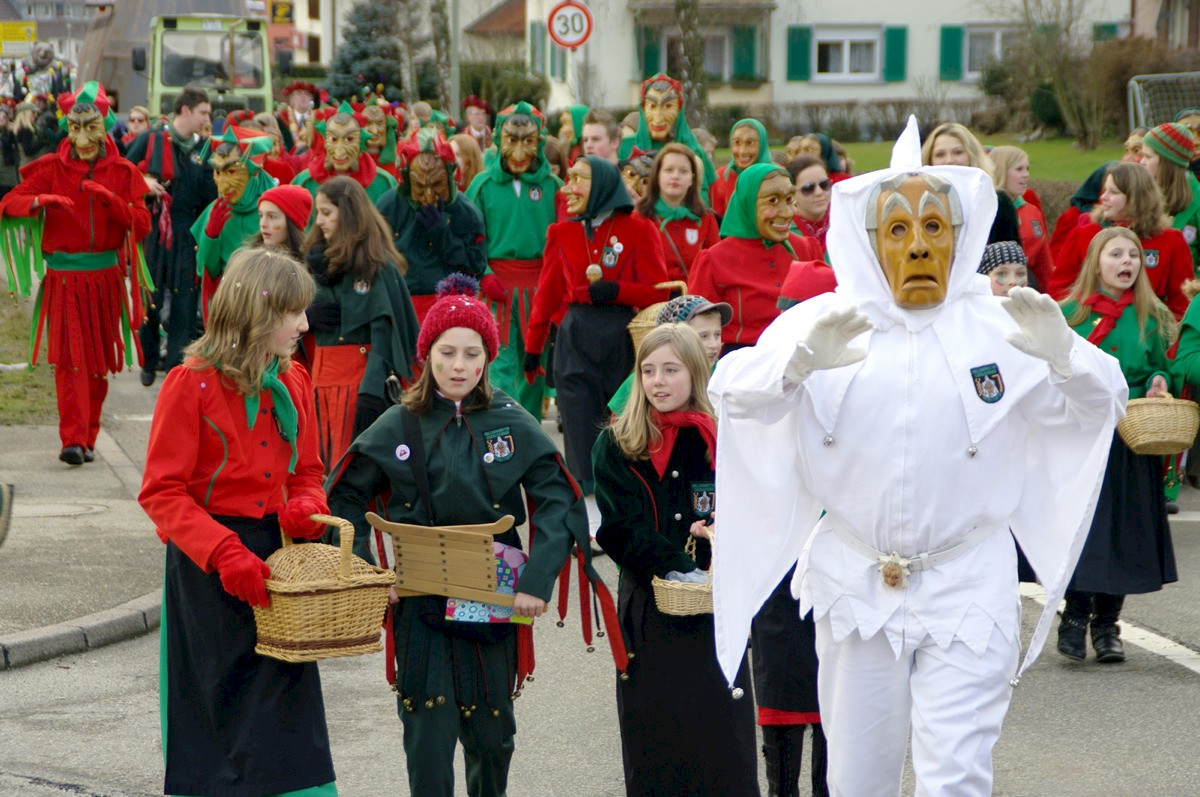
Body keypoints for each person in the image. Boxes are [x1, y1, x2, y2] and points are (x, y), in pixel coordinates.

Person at [707, 118, 1126, 796]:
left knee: (955, 777)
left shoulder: (1002, 326)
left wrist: (1065, 357)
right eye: (899, 230)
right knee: (856, 778)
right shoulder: (824, 322)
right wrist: (794, 365)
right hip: (857, 586)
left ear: (959, 237)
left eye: (934, 227)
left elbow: (1104, 401)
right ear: (869, 241)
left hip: (966, 586)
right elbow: (728, 390)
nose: (920, 245)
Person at [325, 279, 609, 797]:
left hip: (493, 598)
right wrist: (366, 573)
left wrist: (537, 580)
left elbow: (558, 501)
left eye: (472, 354)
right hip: (420, 604)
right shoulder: (397, 424)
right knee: (428, 739)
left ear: (487, 358)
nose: (458, 365)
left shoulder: (512, 421)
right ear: (427, 353)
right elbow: (342, 497)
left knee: (492, 736)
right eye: (447, 352)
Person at [138, 248, 336, 796]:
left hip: (275, 565)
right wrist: (225, 552)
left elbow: (309, 470)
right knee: (215, 723)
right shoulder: (189, 383)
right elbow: (161, 491)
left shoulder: (295, 379)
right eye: (293, 312)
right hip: (208, 566)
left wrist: (305, 504)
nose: (304, 324)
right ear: (257, 313)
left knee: (290, 731)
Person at [592, 323, 759, 796]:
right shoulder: (617, 443)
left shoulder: (724, 437)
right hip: (650, 608)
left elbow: (753, 508)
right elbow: (619, 528)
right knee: (657, 738)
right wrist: (677, 565)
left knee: (721, 739)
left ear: (697, 372)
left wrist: (719, 533)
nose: (658, 381)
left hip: (715, 610)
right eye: (648, 371)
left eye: (671, 369)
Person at [0, 81, 152, 465]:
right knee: (69, 361)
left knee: (97, 362)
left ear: (106, 127)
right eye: (75, 127)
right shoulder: (52, 168)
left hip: (105, 281)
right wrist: (40, 200)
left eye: (91, 127)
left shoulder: (123, 171)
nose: (82, 138)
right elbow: (10, 202)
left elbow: (141, 223)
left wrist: (112, 202)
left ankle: (88, 437)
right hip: (64, 281)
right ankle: (71, 439)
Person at [1057, 227, 1178, 663]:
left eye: (1133, 255)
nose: (1126, 262)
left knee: (1125, 530)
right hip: (1082, 439)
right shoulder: (1068, 314)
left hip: (1129, 438)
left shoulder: (1151, 316)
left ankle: (1108, 624)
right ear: (1096, 261)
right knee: (1083, 529)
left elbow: (1160, 369)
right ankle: (1074, 617)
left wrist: (1160, 380)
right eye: (1116, 254)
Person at [524, 155, 670, 494]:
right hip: (575, 336)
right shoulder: (561, 232)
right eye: (569, 178)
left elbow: (658, 290)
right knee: (577, 426)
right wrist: (533, 348)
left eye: (578, 179)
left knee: (621, 425)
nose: (567, 188)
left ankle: (623, 495)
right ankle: (585, 502)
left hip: (621, 336)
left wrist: (618, 290)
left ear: (602, 184)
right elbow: (546, 295)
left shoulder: (639, 228)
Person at [304, 176, 418, 467]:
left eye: (327, 213)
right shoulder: (314, 263)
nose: (319, 221)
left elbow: (384, 334)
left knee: (349, 468)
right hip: (319, 382)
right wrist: (306, 315)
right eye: (318, 213)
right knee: (320, 467)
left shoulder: (375, 266)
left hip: (357, 384)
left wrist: (371, 390)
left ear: (348, 214)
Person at [465, 102, 563, 420]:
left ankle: (529, 429)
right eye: (511, 140)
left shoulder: (553, 187)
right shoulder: (482, 185)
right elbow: (469, 238)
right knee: (500, 364)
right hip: (497, 288)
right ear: (498, 139)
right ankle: (505, 425)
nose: (519, 151)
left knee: (534, 367)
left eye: (528, 141)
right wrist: (483, 273)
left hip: (540, 288)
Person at [126, 85, 217, 386]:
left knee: (184, 305)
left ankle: (176, 369)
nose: (207, 119)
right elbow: (122, 172)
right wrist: (143, 182)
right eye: (203, 112)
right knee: (149, 299)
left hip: (189, 234)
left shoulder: (205, 150)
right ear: (185, 110)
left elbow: (213, 194)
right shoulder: (151, 139)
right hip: (154, 232)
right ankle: (149, 359)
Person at [689, 163, 823, 353]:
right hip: (743, 359)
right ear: (748, 202)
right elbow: (695, 330)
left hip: (804, 355)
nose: (787, 212)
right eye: (773, 200)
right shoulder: (714, 259)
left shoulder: (806, 249)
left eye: (789, 199)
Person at [1050, 162, 1192, 317]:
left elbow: (1182, 301)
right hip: (1090, 322)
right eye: (1105, 190)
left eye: (1113, 192)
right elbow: (1059, 290)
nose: (1103, 197)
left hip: (1146, 325)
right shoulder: (1083, 234)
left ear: (1136, 199)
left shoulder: (1170, 239)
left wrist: (1161, 327)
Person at [377, 128, 487, 323]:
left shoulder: (466, 213)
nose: (428, 196)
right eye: (420, 186)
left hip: (450, 308)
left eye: (437, 185)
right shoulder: (389, 206)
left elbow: (475, 266)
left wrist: (441, 232)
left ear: (450, 175)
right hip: (400, 305)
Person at [191, 127, 277, 321]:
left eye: (231, 172)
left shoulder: (275, 206)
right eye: (217, 172)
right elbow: (206, 271)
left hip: (269, 306)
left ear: (253, 172)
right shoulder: (216, 210)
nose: (222, 185)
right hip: (230, 307)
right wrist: (211, 236)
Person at [607, 294, 731, 415]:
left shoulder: (725, 372)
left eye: (717, 335)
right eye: (703, 336)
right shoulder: (645, 377)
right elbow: (617, 420)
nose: (713, 345)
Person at [922, 121, 1020, 246]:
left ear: (971, 156)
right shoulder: (921, 205)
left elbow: (1010, 253)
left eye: (958, 152)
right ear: (930, 161)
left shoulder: (997, 202)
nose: (949, 160)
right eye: (940, 154)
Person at [618, 73, 716, 195]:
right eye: (652, 106)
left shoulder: (695, 152)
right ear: (643, 109)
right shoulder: (623, 148)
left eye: (668, 106)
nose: (658, 118)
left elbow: (707, 199)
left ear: (679, 110)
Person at [634, 142, 720, 282]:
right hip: (651, 295)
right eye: (669, 170)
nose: (675, 176)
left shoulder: (706, 219)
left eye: (683, 171)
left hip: (693, 295)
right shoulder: (639, 217)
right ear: (657, 176)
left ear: (692, 179)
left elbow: (715, 268)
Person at [293, 102, 398, 209]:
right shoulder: (304, 183)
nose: (340, 151)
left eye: (349, 139)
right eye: (333, 139)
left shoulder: (384, 184)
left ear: (360, 142)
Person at [989, 146, 1054, 291]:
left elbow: (1043, 262)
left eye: (1027, 169)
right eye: (1019, 169)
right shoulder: (986, 210)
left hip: (1028, 287)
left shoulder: (1032, 211)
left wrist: (1048, 294)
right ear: (1000, 171)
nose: (1026, 175)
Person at [1139, 122, 1200, 271]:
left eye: (1147, 157)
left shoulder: (1196, 204)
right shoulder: (1140, 195)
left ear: (1167, 163)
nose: (1141, 162)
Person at [709, 118, 773, 218]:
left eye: (750, 143)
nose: (742, 151)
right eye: (737, 142)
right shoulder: (719, 178)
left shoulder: (777, 175)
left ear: (762, 145)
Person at [252, 183, 311, 259]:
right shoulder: (252, 261)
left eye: (272, 216)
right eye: (261, 215)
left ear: (292, 222)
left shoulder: (312, 262)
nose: (262, 224)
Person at [789, 154, 833, 253]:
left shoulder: (843, 223)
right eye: (808, 188)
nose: (819, 192)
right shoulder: (786, 233)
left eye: (824, 184)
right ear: (792, 194)